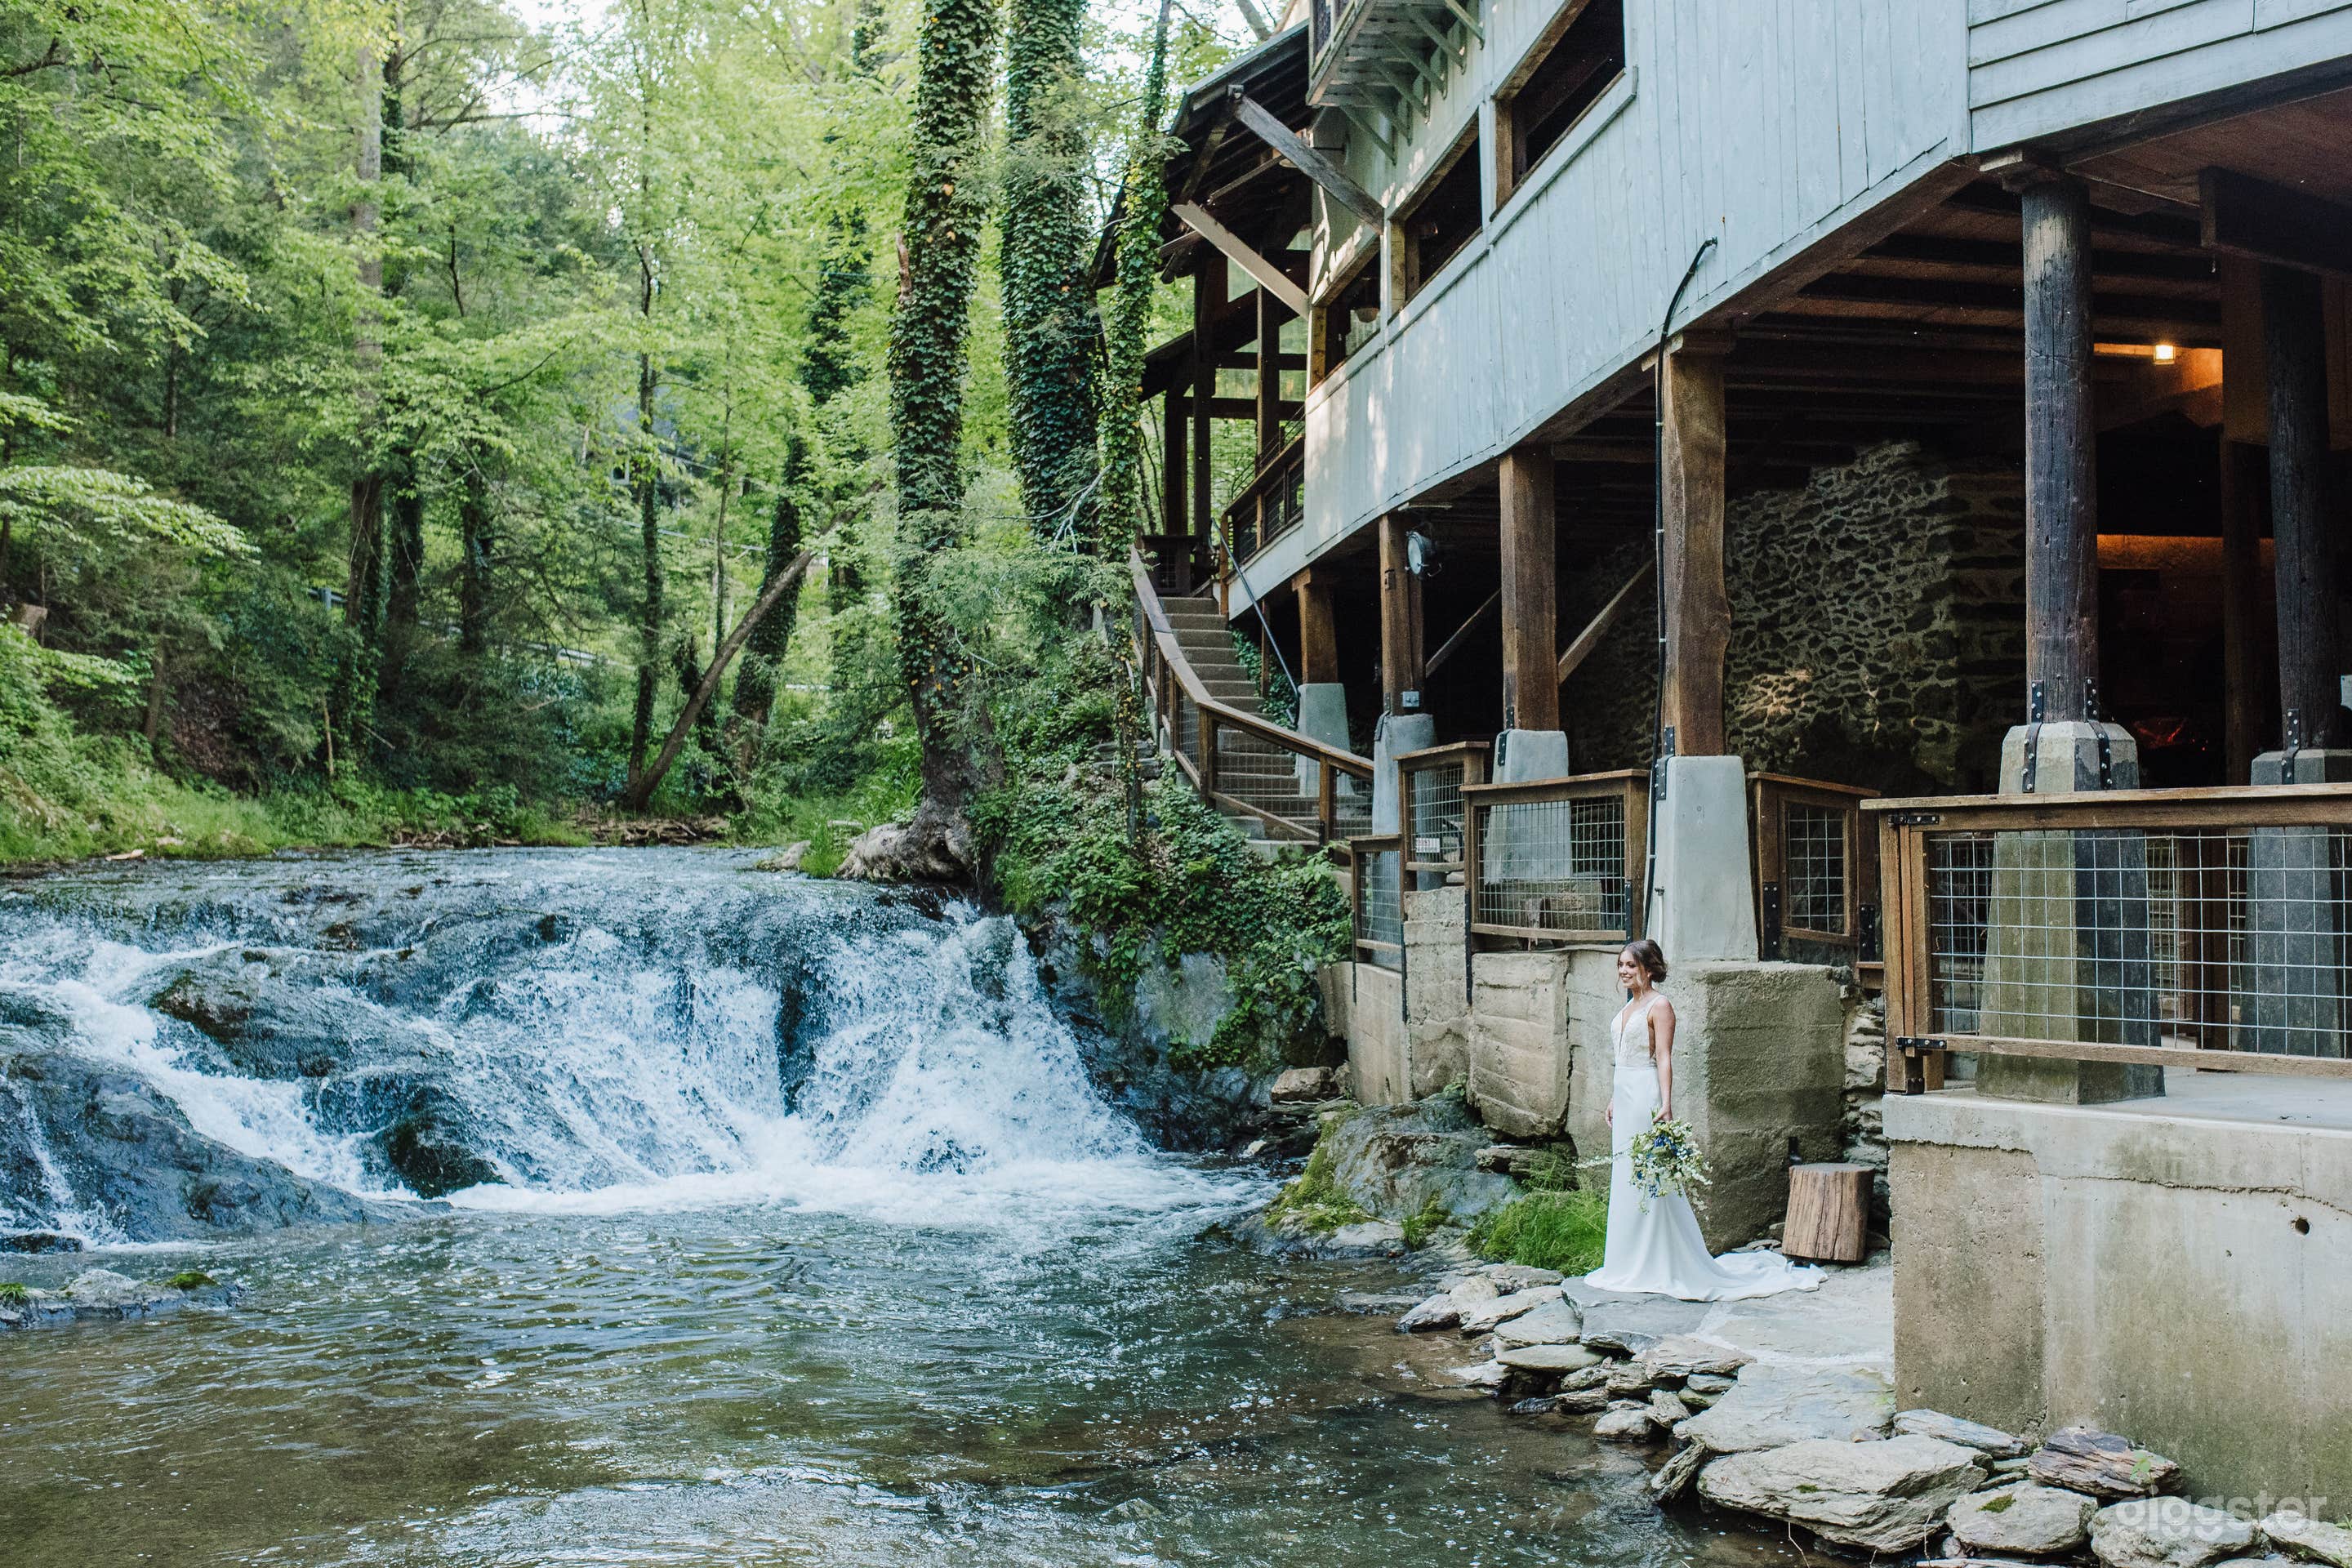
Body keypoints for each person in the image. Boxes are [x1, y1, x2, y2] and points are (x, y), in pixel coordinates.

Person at [1584, 938, 1823, 1301]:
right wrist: (1614, 1098)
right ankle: (1626, 1261)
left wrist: (1666, 1103)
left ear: (1649, 968)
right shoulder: (1626, 1008)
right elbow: (1622, 1058)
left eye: (1631, 966)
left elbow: (1663, 1057)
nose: (1623, 972)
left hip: (1646, 1096)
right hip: (1626, 1095)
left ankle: (1663, 1260)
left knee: (1652, 1174)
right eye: (1620, 965)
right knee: (1627, 1173)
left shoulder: (1660, 1006)